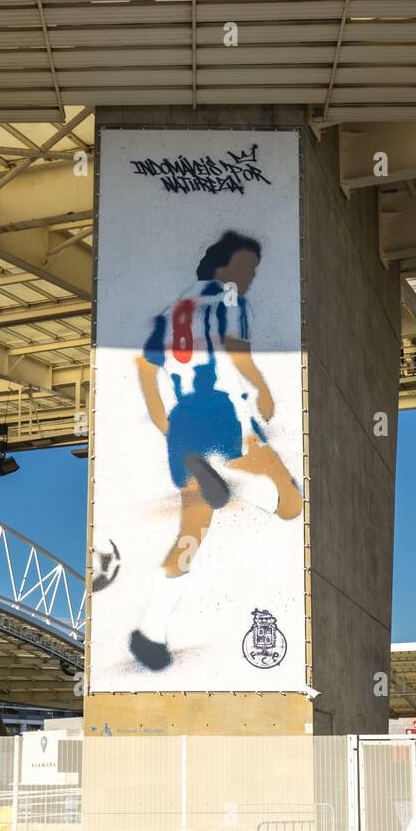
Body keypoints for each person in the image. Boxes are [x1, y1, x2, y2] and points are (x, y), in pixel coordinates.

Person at [129, 230, 302, 670]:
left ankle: (152, 632)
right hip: (219, 410)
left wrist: (164, 425)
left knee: (192, 532)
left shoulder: (170, 312)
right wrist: (263, 388)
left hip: (183, 420)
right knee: (283, 490)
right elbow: (236, 349)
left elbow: (147, 371)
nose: (249, 277)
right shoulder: (229, 300)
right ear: (223, 267)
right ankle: (249, 484)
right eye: (246, 268)